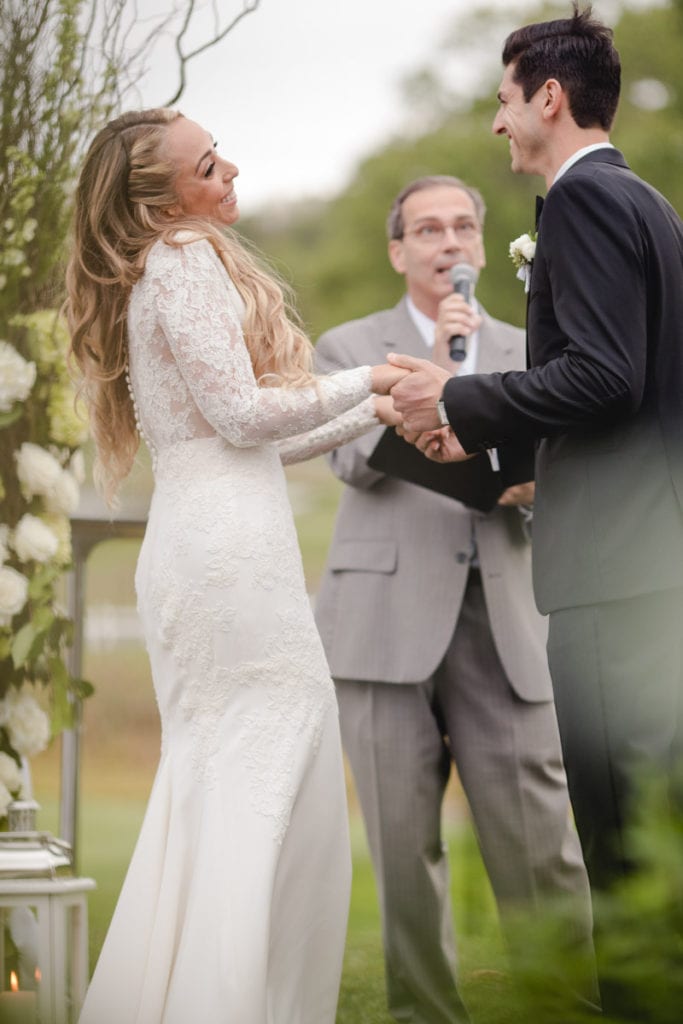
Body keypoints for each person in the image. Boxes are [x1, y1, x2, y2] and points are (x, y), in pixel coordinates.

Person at [65, 108, 407, 1024]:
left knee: (227, 776)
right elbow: (246, 416)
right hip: (225, 560)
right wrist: (373, 380)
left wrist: (378, 410)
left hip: (212, 536)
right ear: (160, 198)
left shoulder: (158, 272)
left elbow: (253, 444)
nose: (229, 173)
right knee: (262, 768)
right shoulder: (181, 264)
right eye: (208, 166)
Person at [391, 4, 683, 906]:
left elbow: (604, 378)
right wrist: (504, 450)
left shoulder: (584, 200)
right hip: (646, 563)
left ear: (547, 97)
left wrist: (456, 396)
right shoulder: (647, 203)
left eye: (503, 100)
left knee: (623, 843)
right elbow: (628, 395)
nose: (495, 120)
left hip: (610, 570)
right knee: (652, 837)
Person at [314, 175, 597, 1024]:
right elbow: (352, 460)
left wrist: (534, 493)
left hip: (508, 620)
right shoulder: (347, 344)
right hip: (382, 627)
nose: (449, 242)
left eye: (464, 227)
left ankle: (564, 1009)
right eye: (428, 229)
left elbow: (570, 473)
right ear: (398, 250)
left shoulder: (538, 347)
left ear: (483, 246)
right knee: (404, 859)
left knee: (540, 851)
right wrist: (439, 365)